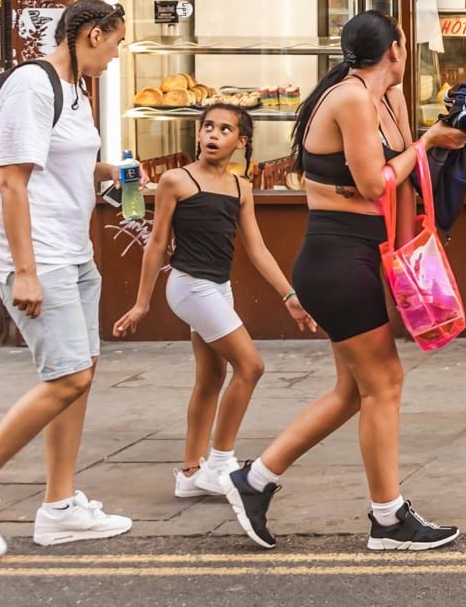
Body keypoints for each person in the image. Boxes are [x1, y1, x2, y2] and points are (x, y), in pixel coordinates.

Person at [223, 11, 466, 551]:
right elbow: (372, 183)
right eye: (403, 45)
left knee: (352, 392)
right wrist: (425, 144)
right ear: (396, 51)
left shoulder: (382, 97)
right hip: (335, 260)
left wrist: (419, 133)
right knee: (385, 384)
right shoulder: (350, 98)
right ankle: (387, 519)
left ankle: (255, 480)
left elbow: (397, 169)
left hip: (359, 255)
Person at [0, 0, 132, 557]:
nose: (117, 54)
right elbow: (13, 182)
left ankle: (60, 507)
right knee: (66, 377)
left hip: (72, 249)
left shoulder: (75, 89)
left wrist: (106, 172)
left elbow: (53, 164)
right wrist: (25, 273)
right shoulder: (31, 86)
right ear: (91, 36)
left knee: (80, 372)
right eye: (115, 42)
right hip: (35, 255)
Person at [113, 103, 317, 497]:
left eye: (224, 129)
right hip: (190, 287)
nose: (212, 134)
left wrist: (289, 296)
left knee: (211, 378)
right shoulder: (177, 180)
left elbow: (256, 249)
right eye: (207, 126)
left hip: (219, 289)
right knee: (251, 366)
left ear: (241, 142)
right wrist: (142, 303)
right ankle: (221, 462)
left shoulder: (241, 189)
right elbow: (156, 244)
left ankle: (191, 474)